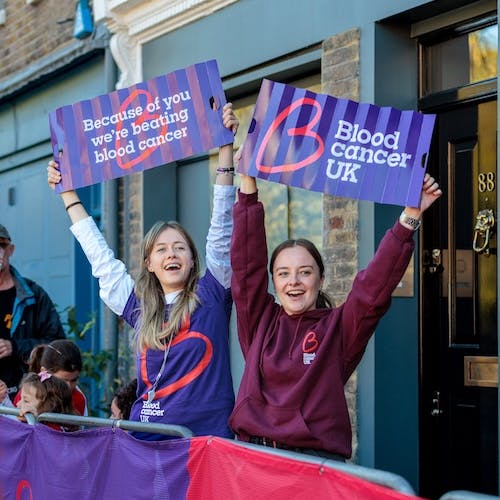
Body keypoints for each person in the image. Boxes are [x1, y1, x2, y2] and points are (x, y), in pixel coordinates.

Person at [47, 102, 239, 440]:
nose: (171, 254)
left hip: (206, 444)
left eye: (180, 247)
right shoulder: (140, 307)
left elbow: (222, 225)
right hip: (146, 441)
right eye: (161, 250)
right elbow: (101, 259)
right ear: (149, 264)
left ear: (193, 259)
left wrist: (225, 150)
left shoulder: (211, 294)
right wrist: (68, 194)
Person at [229, 172, 442, 461]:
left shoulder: (338, 329)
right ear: (273, 282)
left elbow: (373, 289)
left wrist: (409, 217)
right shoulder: (259, 322)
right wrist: (247, 185)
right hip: (254, 458)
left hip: (312, 462)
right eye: (283, 274)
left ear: (321, 279)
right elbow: (246, 264)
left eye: (305, 272)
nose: (294, 281)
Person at [0, 224, 66, 401]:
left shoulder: (33, 295)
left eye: (1, 245)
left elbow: (56, 346)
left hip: (24, 397)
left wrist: (14, 347)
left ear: (10, 250)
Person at [14, 339, 88, 416]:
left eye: (74, 380)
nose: (68, 386)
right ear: (44, 371)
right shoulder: (27, 394)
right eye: (62, 381)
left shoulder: (78, 398)